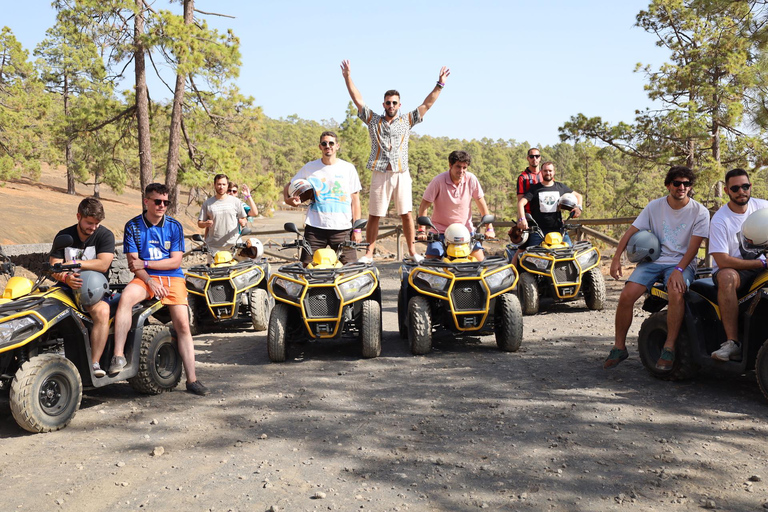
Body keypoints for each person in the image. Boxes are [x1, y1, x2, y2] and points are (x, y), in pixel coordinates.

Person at [341, 59, 450, 263]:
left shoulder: (407, 120)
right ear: (384, 104)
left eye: (394, 103)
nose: (391, 105)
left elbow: (427, 104)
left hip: (401, 172)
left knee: (406, 214)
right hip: (381, 171)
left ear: (399, 105)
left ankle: (412, 251)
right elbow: (358, 100)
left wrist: (440, 84)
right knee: (374, 214)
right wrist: (348, 77)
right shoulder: (374, 120)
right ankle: (369, 253)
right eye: (388, 102)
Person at [603, 166, 709, 371]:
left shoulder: (699, 212)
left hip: (681, 262)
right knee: (626, 295)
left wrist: (679, 270)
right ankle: (619, 347)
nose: (682, 187)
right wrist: (616, 258)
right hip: (653, 261)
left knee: (676, 293)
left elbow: (694, 248)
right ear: (668, 185)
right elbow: (630, 231)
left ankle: (668, 347)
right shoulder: (655, 206)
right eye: (677, 183)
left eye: (687, 183)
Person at [110, 183, 208, 395]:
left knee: (183, 324)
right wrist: (149, 278)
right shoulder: (133, 226)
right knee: (126, 298)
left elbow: (174, 262)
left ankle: (192, 379)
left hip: (172, 278)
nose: (162, 205)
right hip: (146, 278)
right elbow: (132, 263)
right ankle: (118, 355)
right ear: (146, 201)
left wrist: (146, 265)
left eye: (166, 202)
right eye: (157, 201)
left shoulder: (174, 226)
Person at [50, 197, 115, 378]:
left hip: (94, 292)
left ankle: (94, 364)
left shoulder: (105, 235)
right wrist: (66, 277)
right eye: (89, 222)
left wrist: (74, 262)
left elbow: (103, 264)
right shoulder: (64, 235)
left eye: (96, 223)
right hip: (65, 289)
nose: (93, 227)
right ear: (78, 216)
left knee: (102, 311)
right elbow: (54, 266)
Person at [708, 168, 768, 361]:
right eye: (735, 188)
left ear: (750, 186)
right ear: (727, 191)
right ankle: (732, 343)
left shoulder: (762, 208)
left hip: (761, 264)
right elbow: (722, 260)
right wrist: (759, 263)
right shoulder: (720, 220)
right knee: (726, 277)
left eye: (745, 186)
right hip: (734, 270)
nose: (741, 191)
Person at [283, 131, 363, 266]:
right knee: (306, 268)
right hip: (315, 228)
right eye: (324, 143)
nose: (328, 146)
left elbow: (355, 200)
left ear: (337, 146)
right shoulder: (310, 167)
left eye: (331, 143)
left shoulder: (348, 168)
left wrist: (357, 230)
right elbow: (289, 185)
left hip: (342, 228)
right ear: (320, 146)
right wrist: (287, 200)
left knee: (351, 269)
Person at [417, 150, 492, 261]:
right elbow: (424, 205)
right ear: (450, 165)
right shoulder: (438, 181)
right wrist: (421, 230)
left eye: (464, 168)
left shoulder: (471, 179)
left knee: (481, 265)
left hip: (466, 232)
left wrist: (489, 228)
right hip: (440, 231)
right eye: (458, 167)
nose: (461, 171)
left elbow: (481, 204)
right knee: (430, 267)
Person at [516, 161, 583, 247]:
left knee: (568, 254)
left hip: (559, 229)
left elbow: (578, 196)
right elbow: (521, 203)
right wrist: (522, 219)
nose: (548, 173)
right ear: (541, 172)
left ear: (554, 172)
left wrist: (579, 207)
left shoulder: (560, 187)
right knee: (533, 257)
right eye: (545, 171)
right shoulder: (535, 188)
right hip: (538, 231)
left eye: (550, 171)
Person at [197, 174, 247, 257]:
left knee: (238, 270)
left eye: (224, 184)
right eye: (219, 184)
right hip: (214, 247)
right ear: (215, 185)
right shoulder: (207, 203)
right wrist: (205, 224)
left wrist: (243, 222)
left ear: (227, 185)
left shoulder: (236, 202)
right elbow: (199, 223)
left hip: (234, 245)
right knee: (213, 270)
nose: (221, 187)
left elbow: (244, 218)